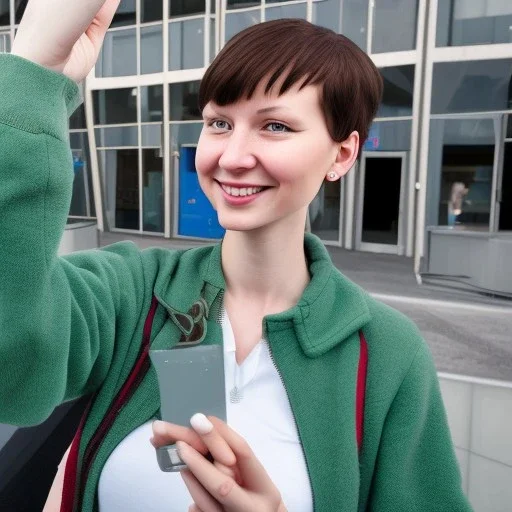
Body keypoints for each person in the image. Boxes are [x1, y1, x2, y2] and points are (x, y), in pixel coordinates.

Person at [0, 1, 472, 511]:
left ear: (342, 154)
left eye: (275, 127)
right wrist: (33, 74)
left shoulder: (384, 354)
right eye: (219, 123)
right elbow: (13, 366)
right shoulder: (132, 292)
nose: (232, 157)